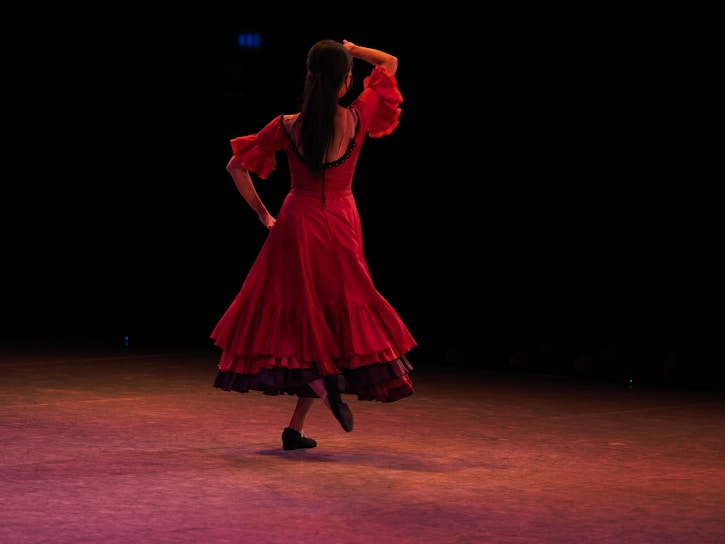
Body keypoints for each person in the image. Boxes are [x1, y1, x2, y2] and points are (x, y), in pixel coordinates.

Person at [211, 38, 416, 450]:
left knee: (305, 320)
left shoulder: (288, 124)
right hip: (341, 223)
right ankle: (299, 422)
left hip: (296, 224)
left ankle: (300, 421)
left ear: (310, 79)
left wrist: (262, 214)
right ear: (345, 82)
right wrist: (354, 49)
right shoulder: (358, 116)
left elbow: (235, 165)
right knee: (333, 320)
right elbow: (391, 62)